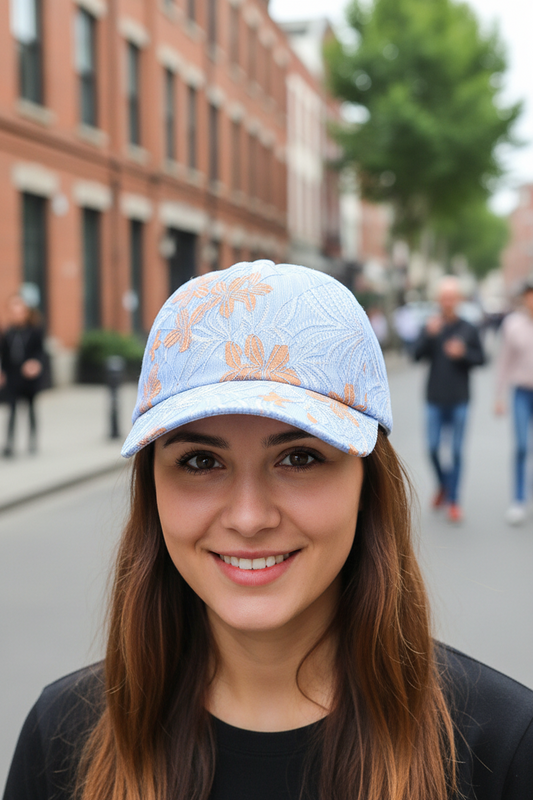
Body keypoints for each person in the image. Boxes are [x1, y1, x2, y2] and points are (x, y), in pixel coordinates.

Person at [4, 261, 533, 800]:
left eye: (300, 457)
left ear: (367, 482)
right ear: (151, 490)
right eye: (200, 462)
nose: (250, 517)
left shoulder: (503, 750)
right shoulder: (60, 740)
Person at [413, 276, 485, 523]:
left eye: (452, 297)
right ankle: (444, 484)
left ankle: (454, 500)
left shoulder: (468, 328)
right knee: (432, 448)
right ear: (438, 300)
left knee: (455, 451)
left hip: (460, 399)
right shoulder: (432, 325)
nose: (447, 302)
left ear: (459, 300)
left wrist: (464, 353)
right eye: (444, 297)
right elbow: (415, 355)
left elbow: (482, 359)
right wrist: (428, 336)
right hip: (434, 398)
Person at [495, 276, 533, 525]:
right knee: (521, 446)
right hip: (521, 392)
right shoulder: (513, 324)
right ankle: (518, 499)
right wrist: (498, 396)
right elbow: (504, 362)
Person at [0, 293, 45, 457]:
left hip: (29, 377)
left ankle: (32, 441)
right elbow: (4, 355)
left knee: (31, 408)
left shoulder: (35, 331)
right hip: (13, 376)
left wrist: (35, 363)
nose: (16, 314)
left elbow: (41, 353)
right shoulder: (8, 333)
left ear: (25, 312)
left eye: (19, 310)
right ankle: (9, 444)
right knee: (11, 410)